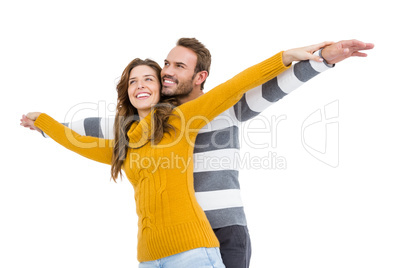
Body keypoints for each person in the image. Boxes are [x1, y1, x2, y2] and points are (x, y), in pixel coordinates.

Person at [21, 38, 374, 268]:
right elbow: (101, 131)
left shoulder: (220, 109)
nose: (166, 72)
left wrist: (317, 60)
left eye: (178, 67)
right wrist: (45, 123)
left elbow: (259, 85)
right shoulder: (149, 124)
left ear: (200, 76)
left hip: (220, 231)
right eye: (166, 65)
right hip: (162, 241)